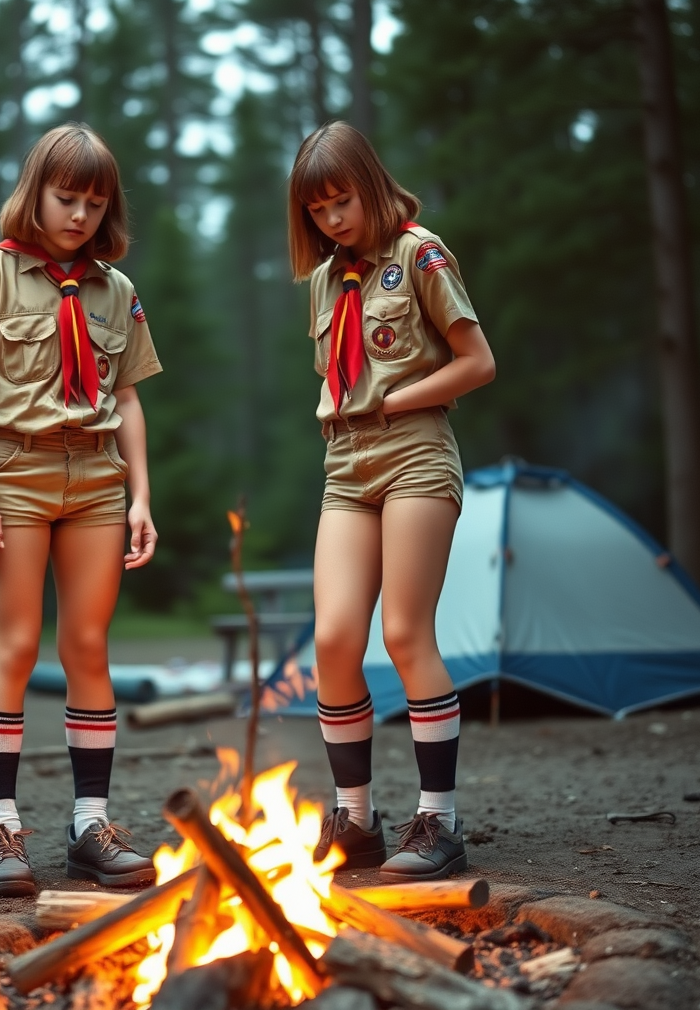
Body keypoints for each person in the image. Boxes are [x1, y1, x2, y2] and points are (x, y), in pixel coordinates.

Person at [0, 123, 162, 896]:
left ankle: (89, 826)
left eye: (95, 203)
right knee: (15, 646)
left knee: (89, 646)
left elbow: (126, 398)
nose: (79, 215)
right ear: (34, 191)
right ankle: (0, 831)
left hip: (97, 482)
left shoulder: (115, 291)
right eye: (66, 197)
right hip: (15, 475)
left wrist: (141, 494)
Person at [288, 122, 496, 882]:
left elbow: (478, 362)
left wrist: (400, 399)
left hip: (414, 452)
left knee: (407, 634)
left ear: (370, 184)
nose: (333, 219)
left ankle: (438, 820)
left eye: (341, 200)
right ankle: (357, 819)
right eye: (317, 211)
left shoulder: (420, 254)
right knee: (336, 641)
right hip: (345, 465)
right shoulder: (323, 279)